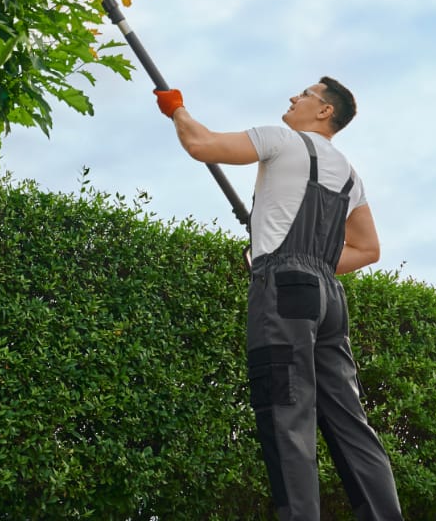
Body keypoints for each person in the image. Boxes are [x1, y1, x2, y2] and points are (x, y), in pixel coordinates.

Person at [153, 79, 402, 521]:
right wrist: (304, 258)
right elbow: (367, 250)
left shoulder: (278, 139)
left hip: (285, 291)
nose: (293, 98)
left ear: (325, 111)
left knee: (286, 414)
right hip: (328, 296)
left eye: (305, 94)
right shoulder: (348, 173)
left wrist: (177, 110)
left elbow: (201, 143)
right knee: (349, 422)